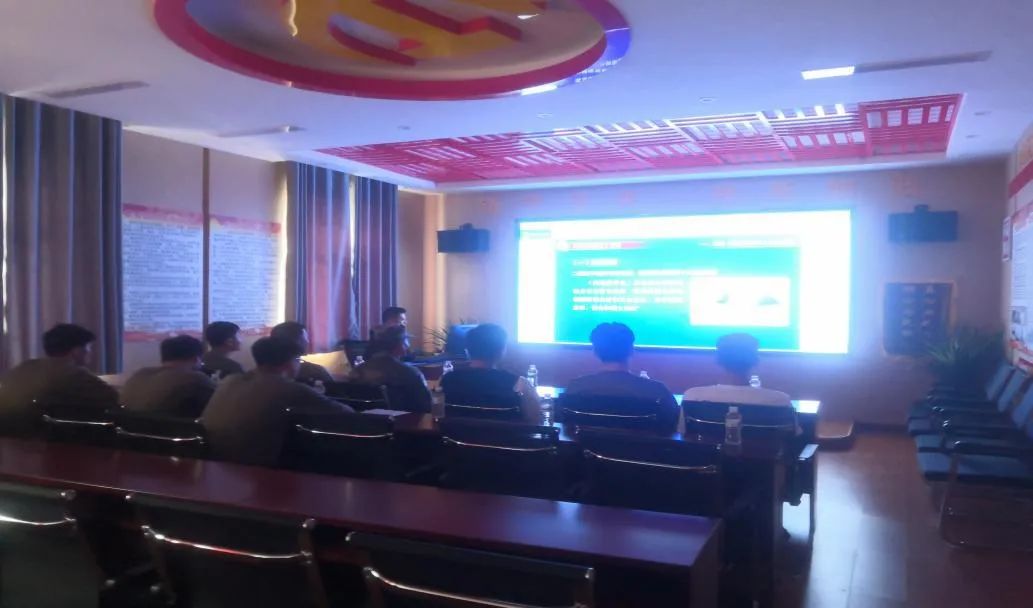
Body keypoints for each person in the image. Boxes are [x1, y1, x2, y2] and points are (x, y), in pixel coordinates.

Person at [200, 337, 352, 466]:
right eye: (298, 360)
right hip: (254, 464)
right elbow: (347, 413)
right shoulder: (289, 388)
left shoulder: (230, 380)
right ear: (289, 363)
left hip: (210, 457)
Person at [563, 322, 680, 432]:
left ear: (595, 352)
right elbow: (673, 426)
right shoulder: (656, 390)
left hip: (587, 447)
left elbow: (565, 427)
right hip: (640, 447)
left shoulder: (576, 387)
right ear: (631, 350)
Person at [0, 324, 119, 431]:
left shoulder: (24, 367)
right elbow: (116, 400)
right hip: (54, 439)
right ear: (76, 351)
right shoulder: (75, 375)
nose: (90, 352)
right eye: (88, 347)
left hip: (10, 436)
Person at [440, 323, 541, 423]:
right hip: (503, 434)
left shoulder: (446, 379)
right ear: (501, 351)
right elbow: (535, 420)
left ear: (467, 351)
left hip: (454, 434)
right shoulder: (520, 384)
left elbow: (437, 414)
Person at [683, 333, 793, 407]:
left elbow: (683, 431)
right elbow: (791, 433)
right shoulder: (780, 400)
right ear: (755, 360)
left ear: (718, 359)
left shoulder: (693, 396)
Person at [121, 335, 216, 418]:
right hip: (171, 430)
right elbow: (220, 400)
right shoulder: (195, 378)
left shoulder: (140, 374)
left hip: (128, 430)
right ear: (196, 359)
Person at [351, 325, 432, 413]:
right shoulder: (411, 373)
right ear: (400, 345)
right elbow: (426, 406)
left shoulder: (357, 371)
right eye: (406, 341)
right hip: (404, 420)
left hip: (363, 420)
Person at [270, 321, 334, 386]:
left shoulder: (266, 368)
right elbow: (333, 390)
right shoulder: (314, 370)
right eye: (305, 338)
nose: (308, 342)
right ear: (297, 341)